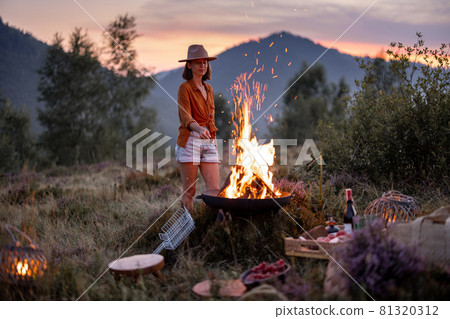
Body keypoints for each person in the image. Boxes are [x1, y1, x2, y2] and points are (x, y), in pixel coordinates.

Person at [176, 44, 220, 210]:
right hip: (190, 140)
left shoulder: (209, 89)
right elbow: (185, 116)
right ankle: (187, 229)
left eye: (205, 62)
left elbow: (211, 120)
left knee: (214, 190)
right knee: (190, 191)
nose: (202, 66)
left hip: (208, 140)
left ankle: (210, 228)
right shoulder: (185, 88)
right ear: (189, 65)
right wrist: (199, 129)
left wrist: (213, 141)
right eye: (198, 62)